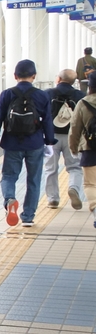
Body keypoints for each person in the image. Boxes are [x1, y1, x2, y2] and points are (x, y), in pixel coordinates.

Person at [0, 59, 56, 227]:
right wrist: (49, 142)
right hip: (35, 143)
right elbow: (47, 120)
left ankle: (10, 199)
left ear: (15, 76)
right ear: (34, 76)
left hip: (12, 143)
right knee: (34, 180)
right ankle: (28, 217)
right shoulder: (42, 95)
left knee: (9, 176)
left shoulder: (7, 94)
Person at [43, 69, 83, 209]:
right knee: (75, 167)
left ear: (58, 79)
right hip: (73, 136)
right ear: (74, 81)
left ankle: (53, 199)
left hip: (51, 137)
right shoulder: (80, 95)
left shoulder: (48, 93)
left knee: (50, 168)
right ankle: (73, 188)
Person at [68, 71, 96, 224]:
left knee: (91, 184)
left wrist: (73, 149)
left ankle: (95, 208)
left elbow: (74, 128)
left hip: (89, 149)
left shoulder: (83, 103)